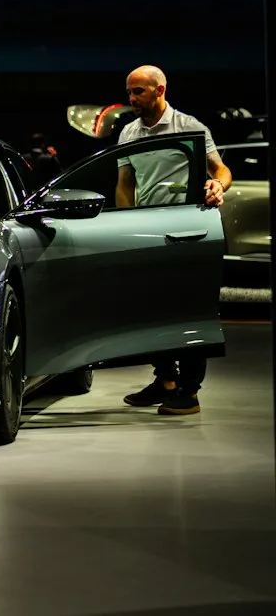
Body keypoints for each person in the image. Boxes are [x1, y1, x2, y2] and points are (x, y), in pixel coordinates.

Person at [113, 65, 231, 416]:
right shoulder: (129, 132)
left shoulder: (189, 127)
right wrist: (124, 226)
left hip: (187, 230)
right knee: (151, 311)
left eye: (139, 92)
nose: (132, 99)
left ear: (160, 90)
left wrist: (217, 186)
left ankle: (189, 391)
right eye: (130, 92)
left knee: (190, 309)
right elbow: (125, 183)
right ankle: (164, 380)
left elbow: (221, 170)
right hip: (148, 230)